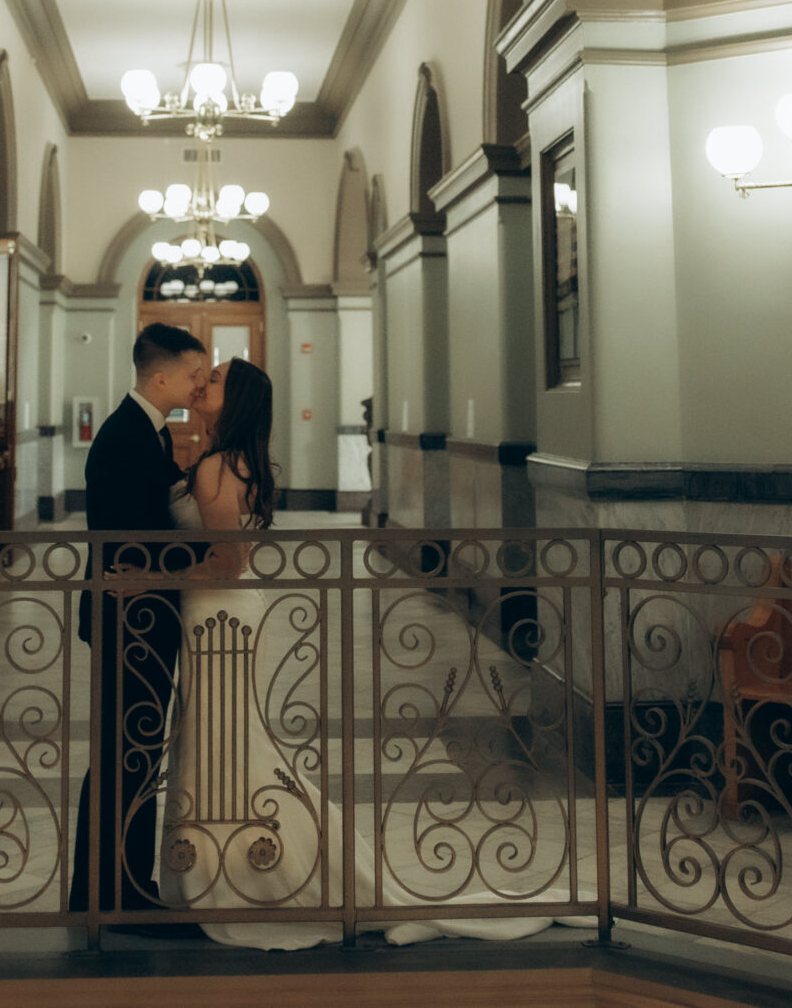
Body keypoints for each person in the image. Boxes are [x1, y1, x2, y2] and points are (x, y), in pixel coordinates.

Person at [158, 357, 560, 950]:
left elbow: (228, 559)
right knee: (219, 739)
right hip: (220, 613)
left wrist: (153, 578)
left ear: (236, 400)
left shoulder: (220, 466)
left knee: (224, 741)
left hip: (219, 614)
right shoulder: (228, 460)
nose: (202, 384)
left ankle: (251, 866)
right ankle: (226, 859)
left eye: (214, 379)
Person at [68, 322, 209, 934]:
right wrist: (203, 563)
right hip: (130, 616)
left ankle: (111, 888)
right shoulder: (127, 436)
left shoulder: (146, 432)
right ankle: (115, 894)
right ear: (161, 376)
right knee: (125, 754)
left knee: (133, 753)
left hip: (142, 613)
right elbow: (132, 543)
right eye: (193, 374)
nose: (199, 383)